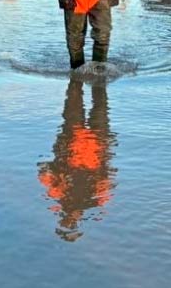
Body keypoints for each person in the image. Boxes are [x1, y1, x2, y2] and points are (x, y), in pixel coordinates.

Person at [37, 79, 116, 242]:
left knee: (84, 98)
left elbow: (43, 172)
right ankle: (86, 74)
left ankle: (80, 74)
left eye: (66, 223)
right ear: (78, 223)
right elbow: (108, 182)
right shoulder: (92, 203)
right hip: (92, 145)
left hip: (77, 141)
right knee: (96, 97)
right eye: (72, 225)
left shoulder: (59, 198)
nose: (70, 221)